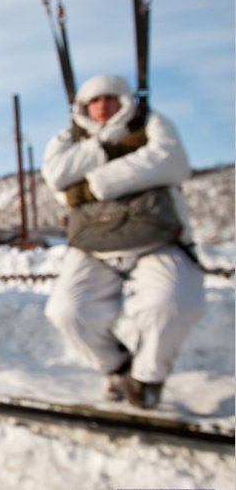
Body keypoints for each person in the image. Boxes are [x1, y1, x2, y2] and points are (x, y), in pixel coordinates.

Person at [42, 74, 204, 409]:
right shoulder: (68, 137)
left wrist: (94, 184)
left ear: (124, 101)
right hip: (93, 241)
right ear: (84, 106)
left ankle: (146, 377)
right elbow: (56, 176)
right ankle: (116, 366)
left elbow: (170, 162)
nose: (103, 106)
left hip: (154, 237)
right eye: (95, 101)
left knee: (171, 303)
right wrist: (104, 146)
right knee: (67, 310)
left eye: (110, 99)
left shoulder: (152, 123)